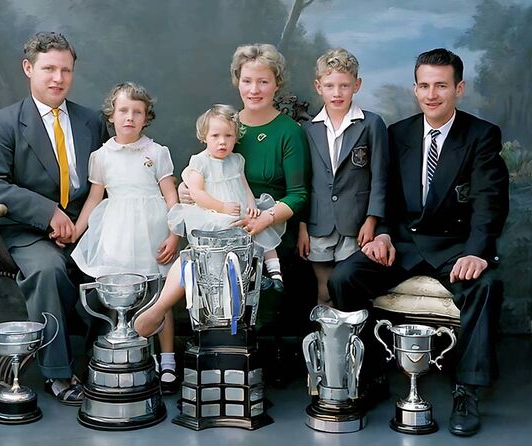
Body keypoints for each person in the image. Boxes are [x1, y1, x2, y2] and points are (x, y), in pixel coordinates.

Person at [328, 48, 509, 436]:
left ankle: (467, 391)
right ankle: (371, 374)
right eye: (424, 85)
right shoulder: (400, 133)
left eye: (441, 85)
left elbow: (489, 202)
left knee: (486, 285)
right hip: (405, 243)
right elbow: (389, 197)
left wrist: (477, 252)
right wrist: (383, 233)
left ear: (458, 88)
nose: (432, 94)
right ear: (415, 88)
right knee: (344, 278)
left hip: (455, 246)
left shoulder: (481, 135)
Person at [136, 44, 310, 384]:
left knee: (213, 261)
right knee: (199, 255)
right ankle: (176, 323)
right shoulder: (226, 126)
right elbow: (201, 173)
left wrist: (263, 219)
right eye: (247, 81)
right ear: (237, 82)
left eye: (263, 81)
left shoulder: (289, 132)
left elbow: (299, 194)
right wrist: (188, 191)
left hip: (267, 225)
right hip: (221, 221)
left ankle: (232, 361)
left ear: (277, 84)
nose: (254, 89)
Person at [0, 32, 108, 405]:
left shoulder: (91, 121)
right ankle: (59, 373)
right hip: (28, 231)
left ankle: (104, 359)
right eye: (48, 69)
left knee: (119, 262)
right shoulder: (3, 123)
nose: (58, 78)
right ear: (29, 68)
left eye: (66, 70)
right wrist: (48, 213)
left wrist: (82, 224)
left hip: (85, 225)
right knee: (49, 270)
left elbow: (105, 180)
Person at [70, 82, 180, 393]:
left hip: (152, 230)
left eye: (137, 112)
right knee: (122, 298)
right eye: (123, 111)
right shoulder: (102, 156)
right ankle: (129, 354)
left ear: (146, 117)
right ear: (112, 115)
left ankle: (168, 360)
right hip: (117, 230)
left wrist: (174, 234)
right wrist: (77, 231)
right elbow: (94, 198)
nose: (129, 117)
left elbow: (171, 195)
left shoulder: (156, 152)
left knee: (160, 295)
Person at [297, 48, 388, 305]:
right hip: (318, 223)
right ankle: (326, 344)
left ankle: (353, 344)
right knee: (324, 291)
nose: (337, 93)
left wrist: (372, 221)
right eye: (329, 86)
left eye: (344, 85)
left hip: (356, 224)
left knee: (347, 290)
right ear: (318, 86)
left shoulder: (371, 124)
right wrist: (303, 226)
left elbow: (381, 178)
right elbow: (304, 181)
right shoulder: (308, 129)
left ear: (356, 85)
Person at [168, 103, 285, 268]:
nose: (222, 142)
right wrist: (222, 207)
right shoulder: (200, 161)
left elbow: (244, 187)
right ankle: (229, 274)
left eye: (228, 136)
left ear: (235, 137)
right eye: (215, 136)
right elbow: (197, 194)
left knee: (261, 229)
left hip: (239, 210)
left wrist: (252, 205)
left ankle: (274, 269)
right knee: (224, 243)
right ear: (204, 137)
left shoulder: (236, 160)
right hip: (215, 213)